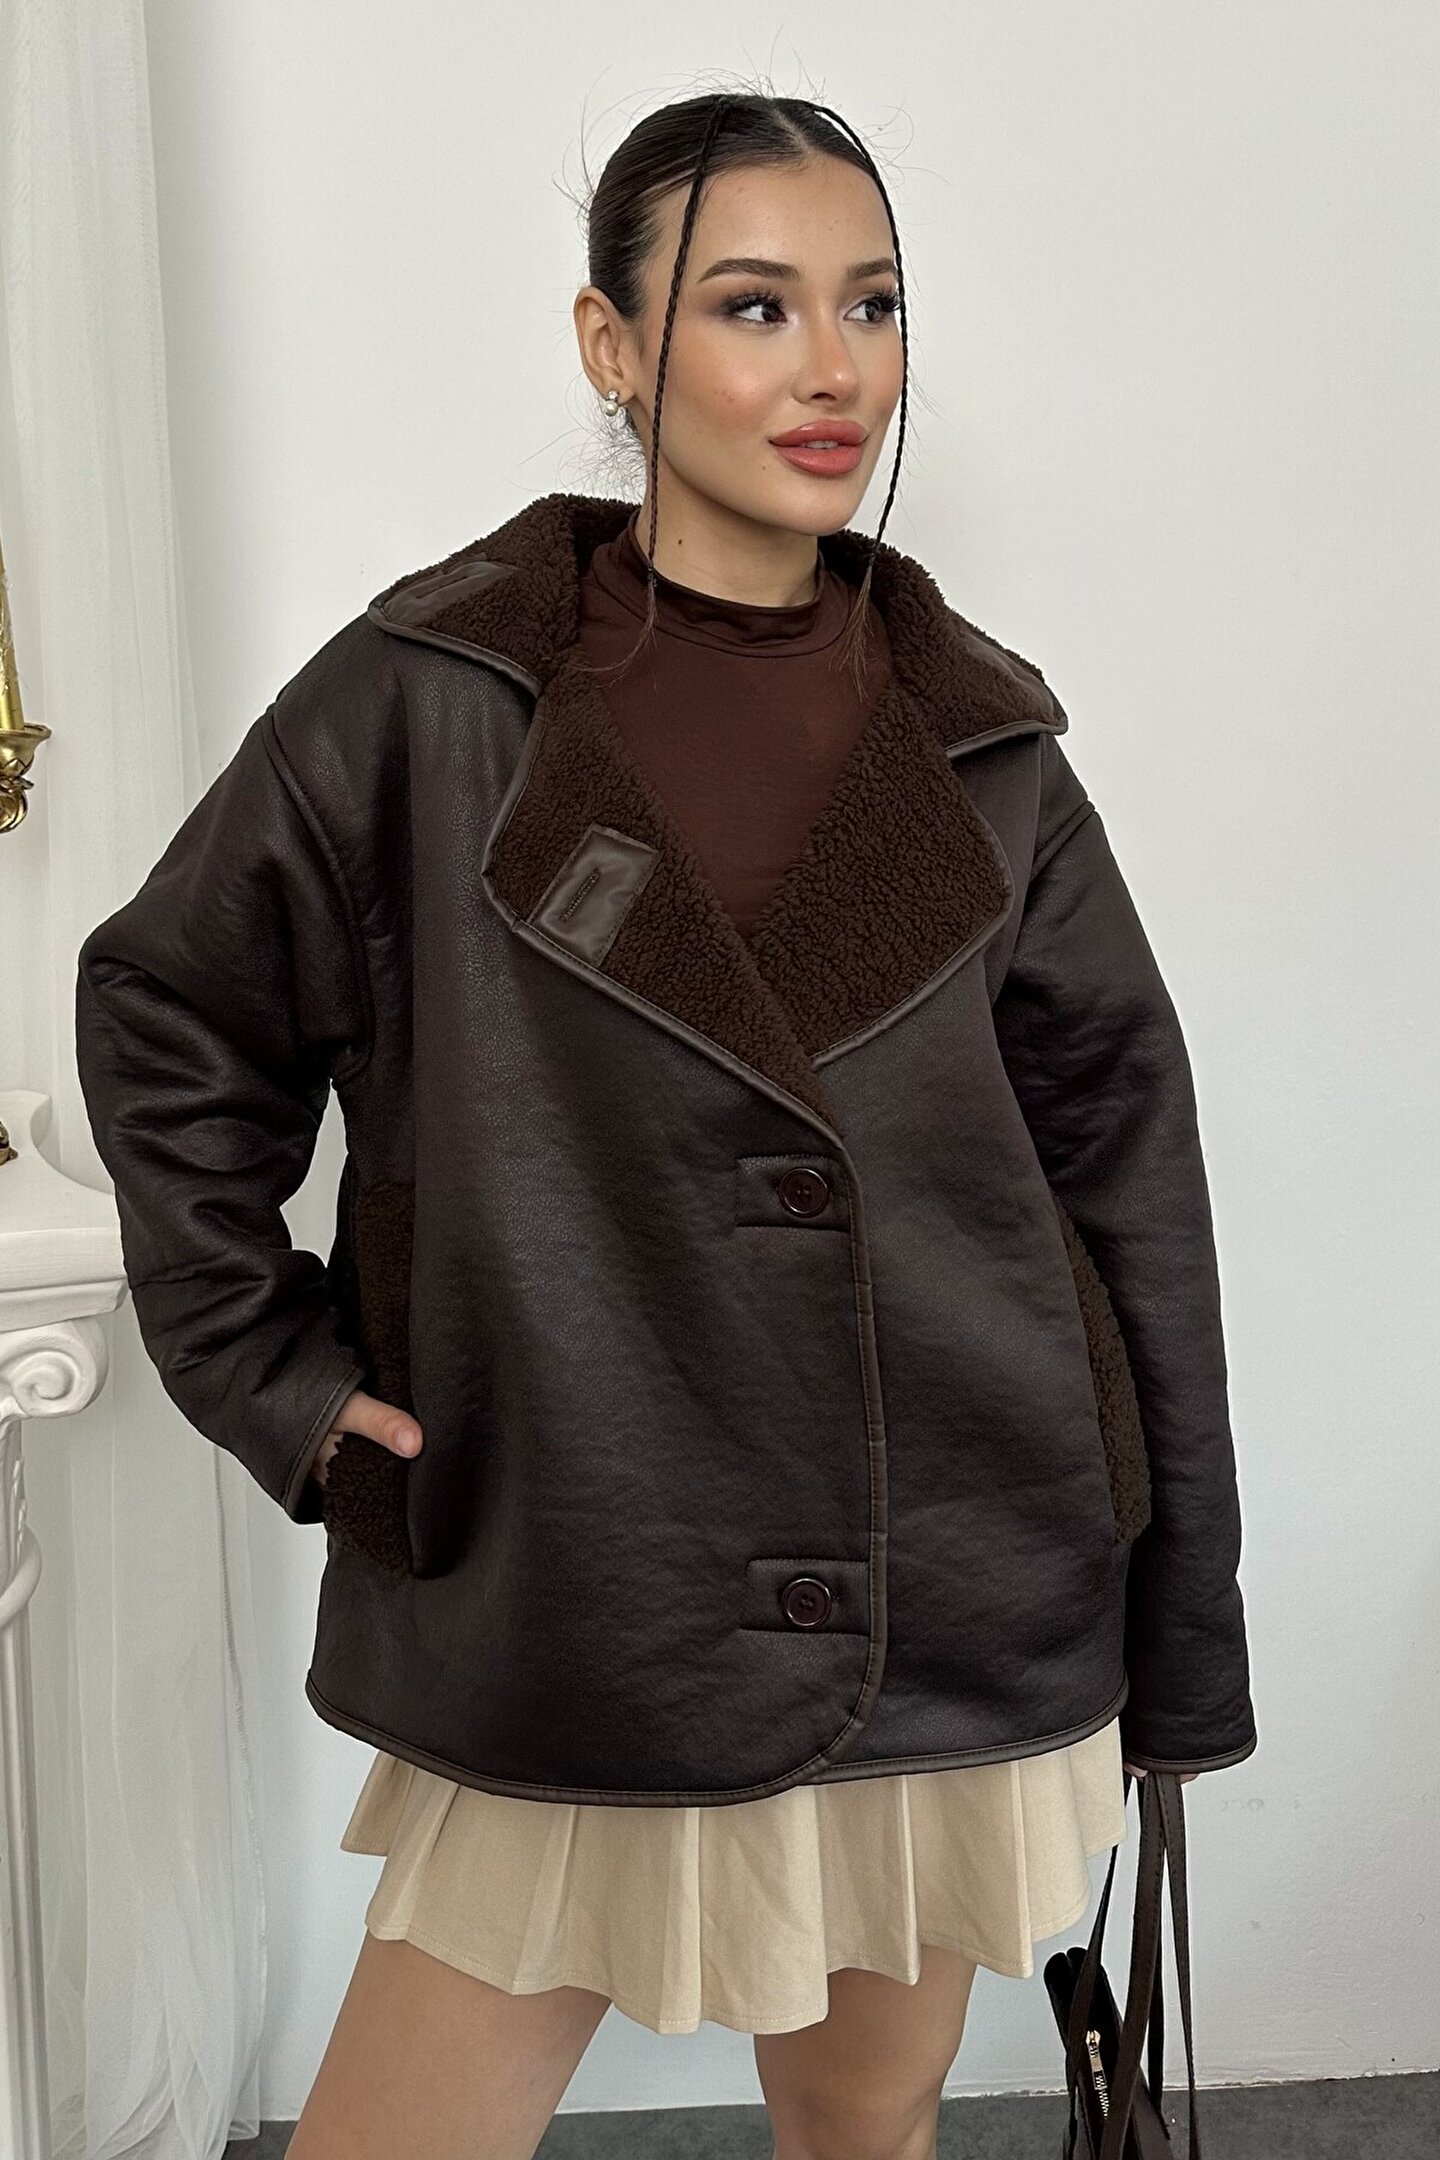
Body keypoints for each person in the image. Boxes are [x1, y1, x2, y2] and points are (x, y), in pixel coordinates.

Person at [74, 85, 1256, 2160]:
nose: (835, 368)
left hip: (953, 1558)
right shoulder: (429, 700)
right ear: (613, 347)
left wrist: (1181, 1628)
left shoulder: (983, 742)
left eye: (872, 304)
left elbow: (1125, 1174)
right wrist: (280, 1381)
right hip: (579, 1557)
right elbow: (172, 1011)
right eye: (755, 304)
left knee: (864, 2133)